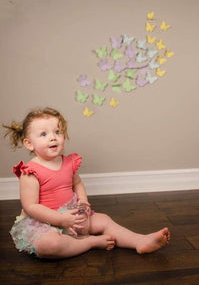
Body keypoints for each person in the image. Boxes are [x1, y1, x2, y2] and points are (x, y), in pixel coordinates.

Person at [3, 107, 170, 259]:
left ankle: (139, 241)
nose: (53, 137)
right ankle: (88, 243)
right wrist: (60, 220)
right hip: (44, 222)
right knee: (50, 245)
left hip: (73, 216)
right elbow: (31, 206)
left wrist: (82, 200)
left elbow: (77, 184)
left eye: (57, 132)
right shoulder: (30, 171)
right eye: (44, 134)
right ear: (29, 144)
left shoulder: (69, 162)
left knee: (104, 221)